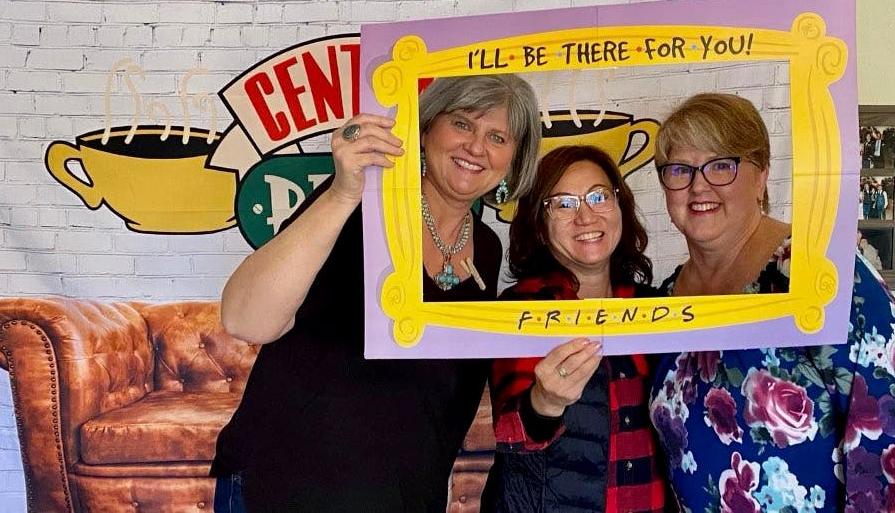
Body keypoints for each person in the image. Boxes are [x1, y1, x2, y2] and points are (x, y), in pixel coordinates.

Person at [211, 74, 541, 512]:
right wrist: (342, 194)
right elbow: (244, 321)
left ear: (513, 160)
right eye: (462, 124)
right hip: (285, 485)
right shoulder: (355, 206)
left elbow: (444, 399)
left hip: (403, 496)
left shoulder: (487, 249)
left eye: (497, 136)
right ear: (425, 131)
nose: (476, 146)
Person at [647, 92, 895, 512]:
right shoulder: (664, 299)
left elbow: (885, 438)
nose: (698, 185)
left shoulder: (822, 274)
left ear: (761, 175)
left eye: (721, 165)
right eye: (679, 170)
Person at [482, 145, 673, 512]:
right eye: (564, 204)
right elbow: (512, 431)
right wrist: (545, 402)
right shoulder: (522, 309)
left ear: (620, 206)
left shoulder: (652, 305)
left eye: (599, 197)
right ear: (539, 222)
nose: (586, 216)